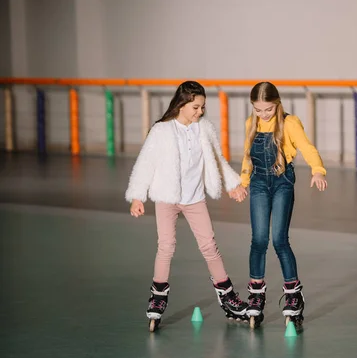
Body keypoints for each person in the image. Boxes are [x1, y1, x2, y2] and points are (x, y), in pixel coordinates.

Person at [125, 80, 249, 331]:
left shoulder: (204, 129)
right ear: (181, 104)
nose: (199, 112)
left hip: (194, 198)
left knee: (209, 246)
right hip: (167, 198)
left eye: (202, 107)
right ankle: (158, 297)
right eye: (195, 107)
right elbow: (145, 163)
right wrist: (138, 196)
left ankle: (227, 296)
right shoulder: (161, 131)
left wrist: (232, 184)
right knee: (166, 246)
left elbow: (217, 160)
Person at [237, 81, 327, 328]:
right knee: (258, 240)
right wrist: (243, 183)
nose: (263, 114)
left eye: (268, 109)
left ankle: (293, 293)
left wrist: (317, 171)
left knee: (279, 240)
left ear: (277, 104)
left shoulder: (289, 123)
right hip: (257, 184)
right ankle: (256, 294)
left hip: (282, 183)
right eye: (258, 110)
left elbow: (307, 147)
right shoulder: (250, 124)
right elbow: (247, 156)